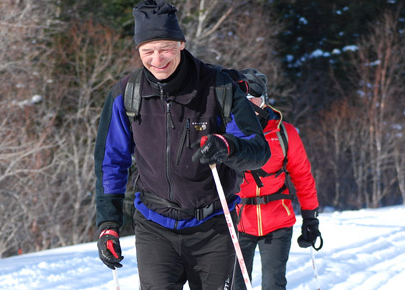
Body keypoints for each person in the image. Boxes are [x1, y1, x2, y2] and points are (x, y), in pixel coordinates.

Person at [93, 1, 271, 289]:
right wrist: (108, 226)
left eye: (165, 48)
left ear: (181, 43)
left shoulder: (219, 87)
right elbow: (111, 162)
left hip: (213, 227)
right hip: (155, 228)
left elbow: (259, 152)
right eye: (147, 51)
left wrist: (227, 146)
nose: (157, 59)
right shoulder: (126, 94)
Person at [231, 69, 322, 290]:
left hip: (278, 220)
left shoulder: (284, 133)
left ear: (265, 100)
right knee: (236, 286)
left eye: (255, 97)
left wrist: (310, 219)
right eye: (244, 99)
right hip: (237, 222)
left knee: (274, 284)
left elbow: (302, 177)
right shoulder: (226, 135)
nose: (250, 104)